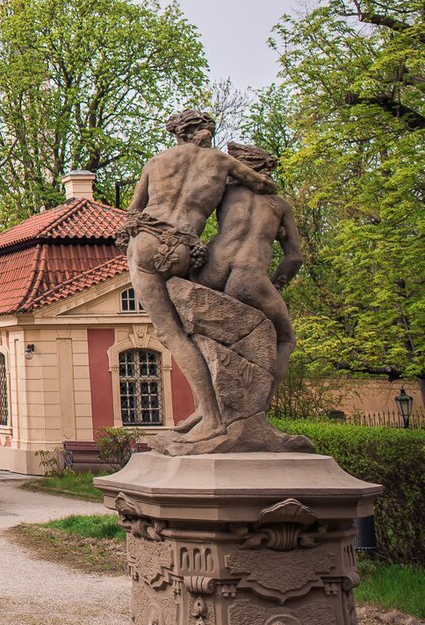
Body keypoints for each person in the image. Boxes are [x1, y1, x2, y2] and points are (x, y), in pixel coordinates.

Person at [118, 109, 278, 437]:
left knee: (171, 333)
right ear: (207, 132)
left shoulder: (157, 162)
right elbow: (262, 183)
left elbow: (133, 211)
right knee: (196, 328)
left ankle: (211, 415)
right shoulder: (222, 162)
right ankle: (207, 409)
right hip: (187, 249)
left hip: (148, 241)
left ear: (177, 134)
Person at [195, 142, 304, 383]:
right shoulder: (280, 205)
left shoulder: (225, 193)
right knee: (286, 338)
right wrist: (275, 285)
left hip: (212, 268)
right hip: (249, 274)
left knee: (202, 336)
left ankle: (208, 404)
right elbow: (294, 257)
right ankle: (259, 407)